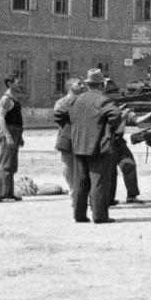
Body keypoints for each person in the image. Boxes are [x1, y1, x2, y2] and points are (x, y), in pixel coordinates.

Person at [55, 68, 122, 224]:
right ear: (101, 85)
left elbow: (58, 114)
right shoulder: (102, 100)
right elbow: (116, 115)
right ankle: (99, 216)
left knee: (80, 182)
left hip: (78, 146)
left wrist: (73, 127)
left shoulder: (75, 99)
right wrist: (106, 128)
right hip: (97, 147)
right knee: (98, 181)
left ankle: (79, 215)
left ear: (88, 84)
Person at [0, 76, 26, 202]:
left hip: (16, 133)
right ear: (10, 83)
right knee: (5, 164)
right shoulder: (5, 99)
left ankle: (9, 193)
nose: (20, 84)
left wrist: (20, 137)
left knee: (12, 164)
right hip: (9, 132)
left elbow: (16, 118)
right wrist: (7, 135)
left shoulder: (15, 99)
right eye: (18, 82)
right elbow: (1, 118)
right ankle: (1, 194)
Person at [53, 77, 84, 191]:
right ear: (71, 86)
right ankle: (72, 189)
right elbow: (58, 118)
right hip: (67, 138)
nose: (82, 86)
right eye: (79, 83)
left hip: (81, 138)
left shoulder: (84, 101)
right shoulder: (61, 102)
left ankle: (80, 190)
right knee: (68, 166)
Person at [110, 106, 143, 205]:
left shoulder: (126, 110)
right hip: (110, 140)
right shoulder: (109, 108)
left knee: (129, 165)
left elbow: (137, 120)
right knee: (111, 172)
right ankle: (109, 199)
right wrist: (124, 113)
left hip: (119, 141)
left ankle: (132, 195)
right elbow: (113, 123)